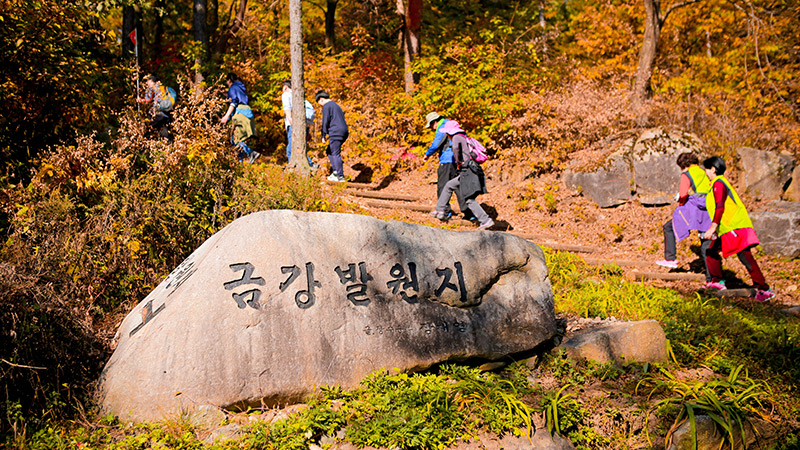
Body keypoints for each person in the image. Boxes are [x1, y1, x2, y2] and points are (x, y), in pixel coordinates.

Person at [701, 156, 775, 301]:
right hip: (729, 227)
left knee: (745, 257)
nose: (706, 172)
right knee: (710, 251)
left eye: (707, 169)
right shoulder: (719, 183)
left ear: (713, 169)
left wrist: (713, 227)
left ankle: (764, 289)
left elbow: (720, 206)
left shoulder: (718, 184)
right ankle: (717, 281)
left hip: (734, 228)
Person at [655, 152, 713, 282]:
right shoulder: (704, 173)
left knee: (668, 227)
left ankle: (671, 258)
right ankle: (712, 279)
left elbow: (682, 194)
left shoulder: (686, 174)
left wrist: (680, 202)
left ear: (684, 165)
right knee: (706, 245)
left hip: (694, 210)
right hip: (708, 210)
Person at [432, 121, 494, 229]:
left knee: (468, 198)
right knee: (450, 185)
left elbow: (456, 149)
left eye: (447, 133)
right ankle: (440, 210)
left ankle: (486, 220)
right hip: (471, 170)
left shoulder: (456, 137)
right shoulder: (463, 137)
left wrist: (458, 163)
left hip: (468, 171)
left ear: (450, 132)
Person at [424, 112, 471, 221]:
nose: (431, 128)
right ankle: (468, 212)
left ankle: (443, 211)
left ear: (434, 122)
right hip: (457, 160)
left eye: (430, 126)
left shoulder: (443, 127)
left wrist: (427, 154)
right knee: (458, 186)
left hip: (447, 160)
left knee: (443, 185)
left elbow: (436, 144)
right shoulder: (452, 125)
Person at [220, 73, 259, 164]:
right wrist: (226, 94)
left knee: (236, 140)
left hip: (241, 114)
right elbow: (239, 97)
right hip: (248, 113)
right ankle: (239, 162)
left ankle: (251, 153)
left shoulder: (232, 88)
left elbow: (233, 102)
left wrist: (226, 117)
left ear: (229, 80)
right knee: (238, 139)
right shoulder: (240, 87)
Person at [281, 80, 316, 167]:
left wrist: (290, 120)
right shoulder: (301, 97)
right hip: (304, 126)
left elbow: (286, 108)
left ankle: (300, 167)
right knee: (299, 147)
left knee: (291, 149)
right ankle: (308, 165)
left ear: (285, 87)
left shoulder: (286, 94)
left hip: (294, 125)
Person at [316, 90, 349, 182]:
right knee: (330, 151)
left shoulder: (327, 106)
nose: (321, 106)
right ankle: (335, 172)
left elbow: (325, 121)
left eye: (319, 103)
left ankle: (340, 176)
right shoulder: (336, 106)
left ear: (321, 99)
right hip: (344, 131)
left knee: (335, 153)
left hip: (335, 132)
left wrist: (323, 134)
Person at [137, 74, 174, 140]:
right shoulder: (163, 88)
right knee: (164, 130)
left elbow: (148, 100)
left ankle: (144, 143)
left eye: (147, 81)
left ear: (150, 80)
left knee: (147, 127)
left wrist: (140, 100)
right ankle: (169, 145)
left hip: (157, 113)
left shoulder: (151, 88)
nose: (146, 83)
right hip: (167, 114)